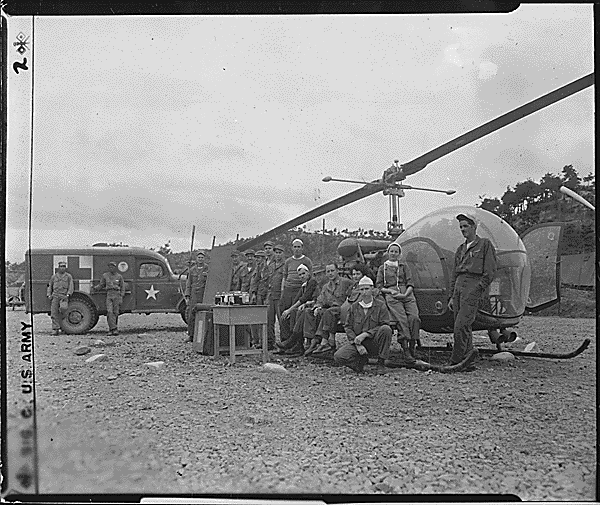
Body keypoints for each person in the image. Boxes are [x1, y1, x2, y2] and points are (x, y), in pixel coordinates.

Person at [448, 213, 497, 365]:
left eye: (466, 226)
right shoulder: (460, 249)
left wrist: (478, 289)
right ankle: (468, 359)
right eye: (461, 227)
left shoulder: (484, 244)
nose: (463, 229)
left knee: (460, 325)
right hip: (459, 287)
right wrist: (451, 295)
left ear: (474, 227)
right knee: (463, 326)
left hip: (472, 285)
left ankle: (455, 360)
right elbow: (455, 273)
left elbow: (490, 271)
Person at [333, 276, 392, 374]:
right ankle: (359, 364)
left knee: (386, 329)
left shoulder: (380, 305)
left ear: (372, 289)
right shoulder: (354, 307)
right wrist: (357, 344)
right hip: (359, 342)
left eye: (367, 289)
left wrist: (366, 334)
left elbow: (384, 323)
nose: (364, 292)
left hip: (375, 341)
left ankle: (381, 363)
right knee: (339, 356)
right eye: (362, 289)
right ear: (359, 291)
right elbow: (348, 327)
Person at [376, 243, 421, 363]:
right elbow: (379, 286)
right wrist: (390, 291)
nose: (393, 254)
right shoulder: (383, 268)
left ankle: (413, 346)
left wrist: (406, 294)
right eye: (391, 251)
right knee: (402, 319)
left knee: (414, 318)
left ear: (399, 254)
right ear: (388, 252)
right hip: (392, 296)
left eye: (396, 252)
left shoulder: (404, 266)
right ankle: (406, 350)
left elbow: (410, 283)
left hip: (407, 294)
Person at [304, 263, 353, 355]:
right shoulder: (326, 287)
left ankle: (323, 341)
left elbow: (354, 294)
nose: (330, 273)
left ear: (337, 271)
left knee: (328, 312)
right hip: (329, 312)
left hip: (341, 310)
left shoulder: (346, 282)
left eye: (332, 271)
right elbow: (320, 299)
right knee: (309, 312)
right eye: (328, 271)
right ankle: (311, 341)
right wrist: (317, 306)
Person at [275, 264, 319, 356]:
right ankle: (296, 345)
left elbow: (305, 298)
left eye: (303, 273)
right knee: (292, 313)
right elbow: (297, 298)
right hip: (305, 307)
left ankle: (292, 341)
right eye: (300, 275)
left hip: (314, 307)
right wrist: (290, 310)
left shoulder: (312, 282)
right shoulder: (304, 285)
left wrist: (291, 309)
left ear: (308, 273)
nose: (302, 276)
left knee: (299, 313)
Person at [279, 239, 313, 339]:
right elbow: (284, 277)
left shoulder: (307, 261)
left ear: (302, 248)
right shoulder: (288, 261)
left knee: (294, 314)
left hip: (299, 290)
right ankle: (284, 340)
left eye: (299, 247)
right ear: (292, 248)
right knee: (283, 315)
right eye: (295, 247)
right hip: (287, 290)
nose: (297, 249)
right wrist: (282, 291)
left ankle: (294, 342)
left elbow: (310, 275)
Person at [92, 261, 126, 336]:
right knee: (109, 312)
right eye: (110, 267)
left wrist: (121, 296)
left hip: (117, 294)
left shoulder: (119, 276)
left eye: (113, 267)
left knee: (116, 312)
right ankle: (113, 329)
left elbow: (123, 287)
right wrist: (95, 288)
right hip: (109, 294)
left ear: (115, 267)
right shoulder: (105, 276)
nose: (111, 268)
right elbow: (101, 285)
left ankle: (112, 329)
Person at [184, 251, 209, 340]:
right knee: (192, 315)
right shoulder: (192, 270)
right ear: (196, 259)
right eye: (199, 257)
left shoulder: (208, 269)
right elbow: (188, 283)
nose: (200, 259)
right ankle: (191, 335)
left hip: (204, 294)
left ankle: (203, 336)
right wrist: (187, 296)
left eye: (202, 257)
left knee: (204, 314)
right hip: (194, 294)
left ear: (204, 259)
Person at [47, 260, 74, 335]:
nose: (62, 268)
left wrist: (68, 294)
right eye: (61, 266)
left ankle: (63, 327)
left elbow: (71, 286)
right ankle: (55, 329)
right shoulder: (54, 276)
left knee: (64, 310)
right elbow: (50, 286)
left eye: (64, 266)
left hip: (64, 296)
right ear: (58, 267)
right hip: (55, 296)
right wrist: (49, 294)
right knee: (54, 313)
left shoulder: (68, 276)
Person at [266, 244, 286, 347]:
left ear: (283, 253)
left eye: (280, 252)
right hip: (270, 295)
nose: (278, 255)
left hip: (280, 296)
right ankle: (270, 342)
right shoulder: (271, 265)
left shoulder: (285, 265)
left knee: (281, 320)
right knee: (269, 320)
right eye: (276, 252)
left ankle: (283, 343)